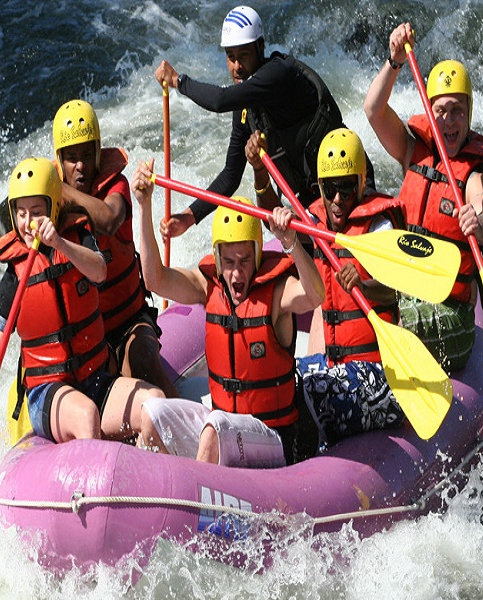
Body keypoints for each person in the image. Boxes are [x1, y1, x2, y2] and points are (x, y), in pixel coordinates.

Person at [131, 158, 325, 467]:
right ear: (219, 259)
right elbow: (154, 279)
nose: (236, 273)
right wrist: (144, 206)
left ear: (257, 255)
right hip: (224, 424)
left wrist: (291, 244)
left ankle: (195, 506)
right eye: (230, 262)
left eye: (245, 260)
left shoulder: (276, 294)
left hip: (272, 436)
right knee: (153, 414)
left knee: (215, 428)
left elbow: (315, 295)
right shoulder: (207, 286)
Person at [0, 157, 165, 444]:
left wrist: (59, 242)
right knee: (86, 416)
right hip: (48, 392)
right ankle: (95, 488)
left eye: (36, 211)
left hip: (96, 379)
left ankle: (148, 479)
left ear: (54, 208)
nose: (28, 222)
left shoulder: (78, 240)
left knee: (154, 403)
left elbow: (99, 270)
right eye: (21, 213)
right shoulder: (13, 280)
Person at [154, 4, 376, 240]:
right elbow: (231, 176)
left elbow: (219, 100)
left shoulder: (279, 74)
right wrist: (188, 218)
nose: (237, 66)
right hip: (314, 201)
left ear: (260, 47)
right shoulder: (246, 107)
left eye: (244, 55)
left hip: (349, 188)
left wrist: (180, 81)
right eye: (231, 57)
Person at [363, 23, 483, 372]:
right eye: (441, 110)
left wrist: (478, 221)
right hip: (406, 291)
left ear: (469, 114)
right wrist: (394, 61)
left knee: (390, 316)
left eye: (457, 110)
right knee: (347, 298)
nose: (449, 120)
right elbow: (373, 110)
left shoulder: (473, 173)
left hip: (451, 314)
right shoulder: (412, 151)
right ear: (430, 112)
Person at [51, 99, 178, 397]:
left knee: (142, 361)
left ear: (98, 153)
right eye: (71, 157)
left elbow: (109, 219)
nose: (80, 165)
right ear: (59, 160)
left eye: (86, 154)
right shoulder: (50, 203)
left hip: (130, 323)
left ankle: (192, 430)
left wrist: (63, 191)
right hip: (87, 339)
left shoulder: (116, 186)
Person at [296, 128, 405, 447]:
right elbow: (272, 216)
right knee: (281, 384)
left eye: (346, 189)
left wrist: (364, 286)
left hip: (381, 379)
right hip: (335, 370)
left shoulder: (380, 228)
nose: (338, 200)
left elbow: (398, 292)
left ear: (361, 184)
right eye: (330, 190)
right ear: (320, 187)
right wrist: (261, 175)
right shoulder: (318, 224)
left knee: (311, 390)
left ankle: (304, 469)